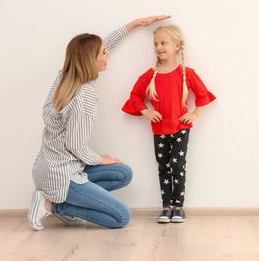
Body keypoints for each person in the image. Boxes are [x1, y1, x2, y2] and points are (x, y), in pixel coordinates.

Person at [28, 15, 171, 231]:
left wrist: (136, 24)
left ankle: (59, 202)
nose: (108, 54)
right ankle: (54, 205)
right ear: (91, 60)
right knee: (121, 217)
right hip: (62, 175)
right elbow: (75, 146)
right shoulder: (85, 96)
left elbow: (101, 45)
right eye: (104, 53)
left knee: (123, 173)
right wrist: (100, 159)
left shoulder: (65, 76)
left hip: (50, 167)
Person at [122, 24, 216, 223]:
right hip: (159, 130)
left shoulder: (186, 73)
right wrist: (147, 111)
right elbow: (135, 96)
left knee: (178, 167)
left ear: (177, 46)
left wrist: (195, 114)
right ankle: (166, 207)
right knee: (163, 168)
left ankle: (179, 207)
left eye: (163, 43)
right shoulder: (150, 76)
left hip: (181, 129)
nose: (158, 47)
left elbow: (203, 95)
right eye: (156, 43)